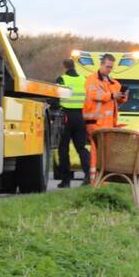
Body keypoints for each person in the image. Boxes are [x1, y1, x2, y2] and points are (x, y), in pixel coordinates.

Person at [82, 54, 128, 180]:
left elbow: (119, 98)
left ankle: (103, 180)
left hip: (107, 123)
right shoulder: (92, 80)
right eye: (108, 66)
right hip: (95, 122)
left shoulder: (112, 81)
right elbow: (94, 95)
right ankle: (95, 181)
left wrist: (123, 95)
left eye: (111, 67)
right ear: (101, 64)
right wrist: (113, 95)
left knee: (105, 154)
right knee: (97, 153)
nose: (109, 69)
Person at [54, 58, 89, 187]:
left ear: (64, 66)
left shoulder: (62, 79)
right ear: (74, 66)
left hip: (66, 117)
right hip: (80, 117)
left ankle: (66, 180)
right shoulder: (84, 79)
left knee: (63, 148)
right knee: (81, 148)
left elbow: (55, 98)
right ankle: (88, 176)